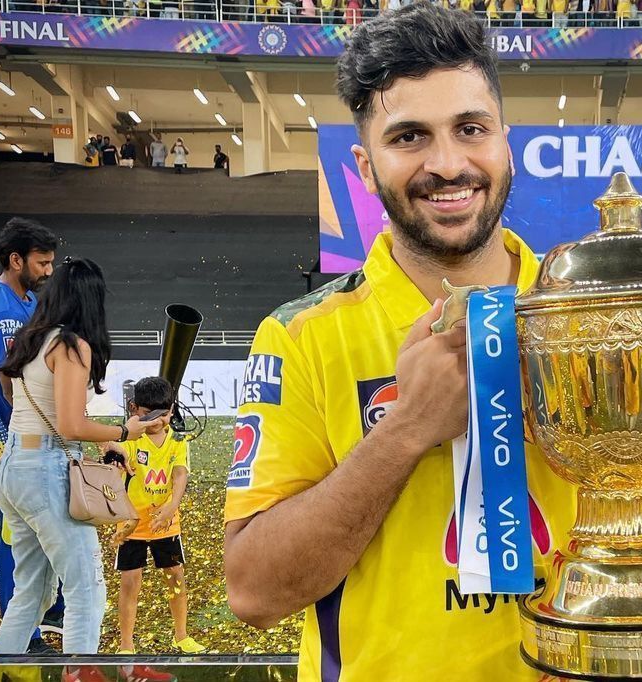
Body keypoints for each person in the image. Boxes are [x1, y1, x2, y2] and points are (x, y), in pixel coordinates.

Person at [222, 5, 576, 680]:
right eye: (409, 137)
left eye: (470, 129)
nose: (448, 164)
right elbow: (255, 592)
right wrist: (406, 429)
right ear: (364, 165)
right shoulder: (302, 337)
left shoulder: (581, 314)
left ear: (506, 141)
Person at [0, 258, 167, 655]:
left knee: (31, 592)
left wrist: (103, 442)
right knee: (86, 589)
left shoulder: (31, 337)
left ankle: (5, 670)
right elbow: (70, 424)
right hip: (45, 473)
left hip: (13, 468)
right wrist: (125, 431)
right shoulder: (72, 345)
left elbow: (25, 400)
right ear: (92, 299)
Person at [0, 218, 62, 656]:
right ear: (16, 260)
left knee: (28, 527)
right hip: (5, 437)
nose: (49, 270)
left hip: (22, 437)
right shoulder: (0, 313)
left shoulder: (26, 298)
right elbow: (10, 387)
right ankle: (24, 634)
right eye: (42, 262)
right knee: (13, 530)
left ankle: (42, 611)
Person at [102, 377, 206, 655]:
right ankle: (126, 644)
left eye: (164, 414)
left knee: (175, 577)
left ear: (171, 410)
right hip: (131, 526)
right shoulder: (131, 438)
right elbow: (113, 455)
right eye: (149, 415)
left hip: (166, 525)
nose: (157, 421)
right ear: (135, 409)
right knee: (129, 583)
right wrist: (112, 447)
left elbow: (180, 475)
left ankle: (181, 636)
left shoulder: (177, 441)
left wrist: (172, 507)